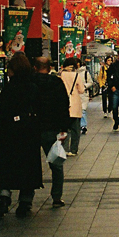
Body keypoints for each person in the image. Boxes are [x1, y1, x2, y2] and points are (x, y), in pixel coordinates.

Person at [0, 53, 43, 218]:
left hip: (9, 134)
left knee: (7, 165)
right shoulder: (32, 87)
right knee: (28, 167)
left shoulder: (8, 89)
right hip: (28, 133)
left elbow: (0, 111)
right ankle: (25, 201)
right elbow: (39, 110)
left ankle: (5, 198)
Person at [34, 57, 71, 209]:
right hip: (52, 128)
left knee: (31, 163)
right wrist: (64, 128)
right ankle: (56, 196)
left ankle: (27, 198)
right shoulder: (56, 82)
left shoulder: (30, 82)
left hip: (32, 128)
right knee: (56, 163)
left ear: (35, 68)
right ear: (49, 68)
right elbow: (64, 105)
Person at [60, 57, 86, 156]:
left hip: (63, 103)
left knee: (64, 128)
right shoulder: (76, 75)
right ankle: (73, 150)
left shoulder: (60, 74)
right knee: (75, 129)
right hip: (74, 104)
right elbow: (81, 90)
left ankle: (64, 149)